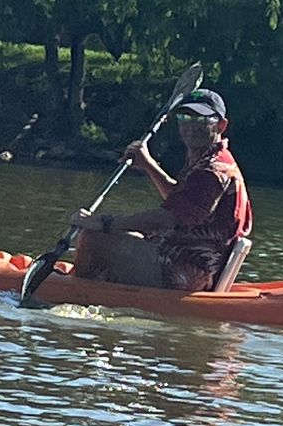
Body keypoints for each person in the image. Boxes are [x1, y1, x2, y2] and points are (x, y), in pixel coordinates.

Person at [67, 89, 251, 291]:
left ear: (222, 125)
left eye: (201, 119)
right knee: (128, 234)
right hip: (185, 258)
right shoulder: (207, 160)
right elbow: (182, 204)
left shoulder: (211, 171)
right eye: (185, 116)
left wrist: (106, 223)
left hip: (187, 272)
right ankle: (92, 284)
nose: (191, 125)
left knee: (93, 238)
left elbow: (168, 218)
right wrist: (148, 165)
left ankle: (74, 291)